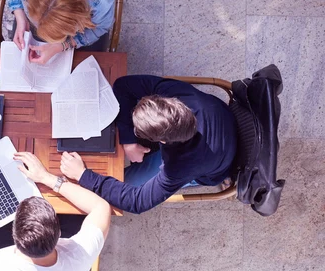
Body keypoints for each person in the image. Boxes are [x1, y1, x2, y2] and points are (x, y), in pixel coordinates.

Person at [60, 75, 237, 214]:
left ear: (162, 142)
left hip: (216, 164)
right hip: (222, 122)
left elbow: (137, 202)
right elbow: (124, 85)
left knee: (127, 182)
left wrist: (83, 175)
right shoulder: (178, 94)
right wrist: (129, 140)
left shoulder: (179, 168)